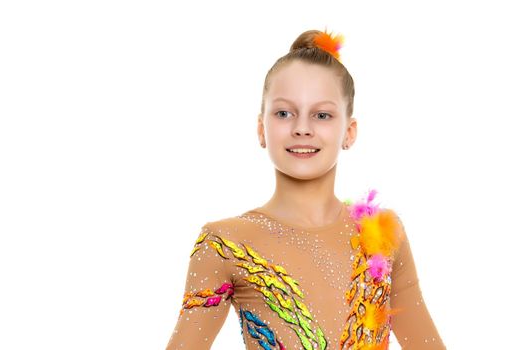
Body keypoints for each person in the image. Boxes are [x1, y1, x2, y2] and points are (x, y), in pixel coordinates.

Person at [166, 28, 445, 350]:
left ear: (349, 131)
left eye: (322, 115)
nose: (302, 128)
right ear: (261, 129)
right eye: (284, 113)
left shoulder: (380, 233)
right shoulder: (225, 243)